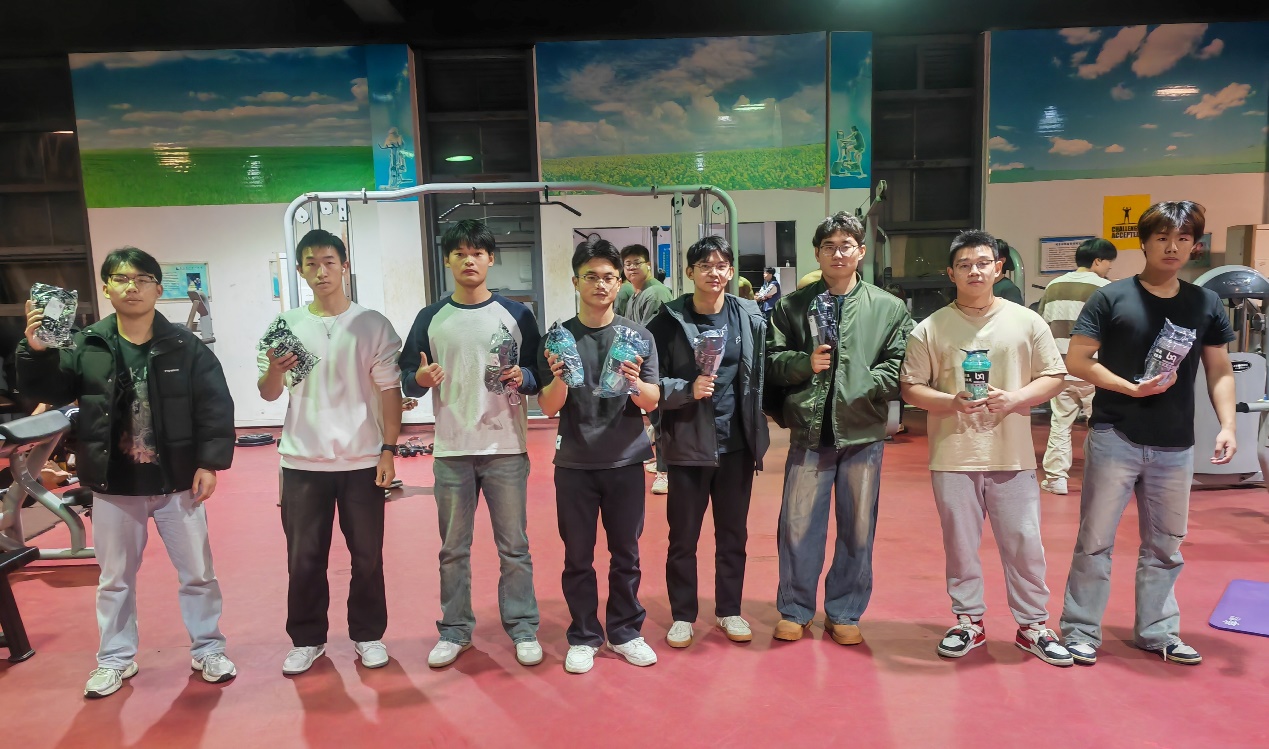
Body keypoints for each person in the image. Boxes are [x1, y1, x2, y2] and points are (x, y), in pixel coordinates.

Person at [17, 247, 237, 698]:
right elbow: (49, 389)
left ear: (157, 288)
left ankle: (209, 648)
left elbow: (214, 405)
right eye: (121, 278)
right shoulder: (85, 344)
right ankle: (115, 659)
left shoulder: (185, 346)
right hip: (114, 485)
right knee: (114, 580)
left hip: (177, 483)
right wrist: (35, 349)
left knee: (198, 574)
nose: (131, 286)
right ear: (106, 288)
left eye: (142, 279)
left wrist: (210, 462)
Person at [1061, 201, 1236, 667]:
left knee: (1166, 546)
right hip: (1115, 435)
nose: (1172, 247)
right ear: (1143, 242)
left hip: (1175, 444)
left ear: (1195, 245)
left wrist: (1229, 425)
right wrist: (1129, 388)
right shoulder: (1111, 297)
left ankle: (1158, 632)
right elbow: (1077, 360)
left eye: (1183, 238)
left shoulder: (1205, 303)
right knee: (1095, 541)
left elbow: (1219, 369)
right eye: (1162, 238)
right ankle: (1080, 630)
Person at [899, 229, 1074, 667]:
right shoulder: (930, 328)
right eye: (964, 265)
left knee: (1024, 543)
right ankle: (968, 621)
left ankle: (1033, 625)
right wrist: (950, 402)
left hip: (1012, 454)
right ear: (951, 273)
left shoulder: (1027, 322)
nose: (974, 271)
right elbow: (910, 387)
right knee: (960, 545)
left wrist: (1015, 399)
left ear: (998, 268)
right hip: (953, 455)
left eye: (982, 263)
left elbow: (1054, 376)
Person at [400, 218, 544, 669]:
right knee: (452, 550)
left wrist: (524, 376)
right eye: (460, 253)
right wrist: (420, 379)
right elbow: (408, 377)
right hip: (452, 449)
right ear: (447, 260)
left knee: (514, 547)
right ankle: (455, 630)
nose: (469, 260)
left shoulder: (517, 314)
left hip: (506, 448)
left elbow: (539, 372)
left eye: (477, 253)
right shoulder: (430, 318)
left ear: (490, 259)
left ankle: (523, 627)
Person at [257, 229, 403, 675]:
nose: (321, 272)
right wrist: (275, 371)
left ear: (343, 266)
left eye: (328, 262)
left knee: (368, 556)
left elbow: (390, 391)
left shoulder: (373, 324)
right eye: (311, 264)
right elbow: (267, 393)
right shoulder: (284, 327)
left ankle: (368, 635)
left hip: (362, 459)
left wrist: (388, 449)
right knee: (303, 559)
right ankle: (307, 640)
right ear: (301, 270)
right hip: (302, 460)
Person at [766, 212, 912, 644]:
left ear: (860, 252)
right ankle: (795, 609)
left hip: (862, 433)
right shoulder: (792, 307)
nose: (837, 253)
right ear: (817, 253)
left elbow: (899, 362)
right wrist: (803, 363)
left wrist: (866, 383)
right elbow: (771, 361)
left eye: (846, 245)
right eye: (828, 246)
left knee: (858, 527)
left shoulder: (888, 308)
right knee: (797, 526)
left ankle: (845, 612)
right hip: (810, 434)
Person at [537, 238, 661, 674]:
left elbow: (652, 401)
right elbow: (548, 407)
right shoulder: (559, 337)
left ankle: (625, 631)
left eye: (609, 277)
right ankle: (584, 635)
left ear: (620, 282)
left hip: (625, 460)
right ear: (576, 282)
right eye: (591, 276)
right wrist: (559, 377)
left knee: (626, 554)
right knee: (578, 556)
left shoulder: (638, 337)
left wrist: (634, 381)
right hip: (574, 463)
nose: (601, 284)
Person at [648, 236, 770, 648]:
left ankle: (729, 610)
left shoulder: (748, 316)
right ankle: (683, 615)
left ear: (731, 272)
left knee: (734, 535)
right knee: (683, 537)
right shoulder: (668, 321)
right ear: (689, 272)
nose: (714, 273)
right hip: (688, 445)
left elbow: (761, 372)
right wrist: (686, 389)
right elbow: (649, 381)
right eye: (705, 266)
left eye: (721, 266)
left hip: (736, 444)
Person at [1036, 238, 1117, 495]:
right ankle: (1102, 479)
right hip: (1094, 369)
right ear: (1098, 261)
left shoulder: (1053, 286)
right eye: (1109, 263)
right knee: (1100, 427)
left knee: (1060, 423)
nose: (1109, 268)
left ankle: (1056, 478)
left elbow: (1043, 326)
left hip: (1061, 367)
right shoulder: (1106, 288)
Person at [619, 244, 675, 495]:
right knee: (655, 420)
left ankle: (666, 472)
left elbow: (648, 334)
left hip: (658, 367)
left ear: (649, 265)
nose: (632, 268)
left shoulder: (656, 292)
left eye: (637, 262)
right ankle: (661, 463)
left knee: (662, 422)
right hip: (643, 367)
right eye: (627, 264)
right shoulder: (635, 293)